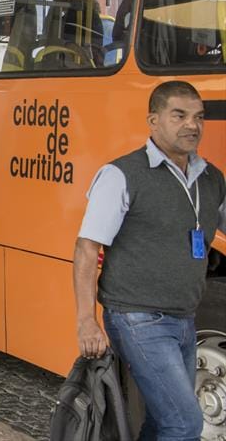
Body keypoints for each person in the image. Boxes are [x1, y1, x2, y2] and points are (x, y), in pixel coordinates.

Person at [73, 80, 226, 440]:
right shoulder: (122, 175)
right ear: (153, 120)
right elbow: (86, 249)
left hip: (184, 318)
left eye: (199, 117)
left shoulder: (210, 177)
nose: (193, 125)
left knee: (161, 421)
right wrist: (86, 321)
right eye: (180, 115)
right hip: (137, 317)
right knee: (185, 422)